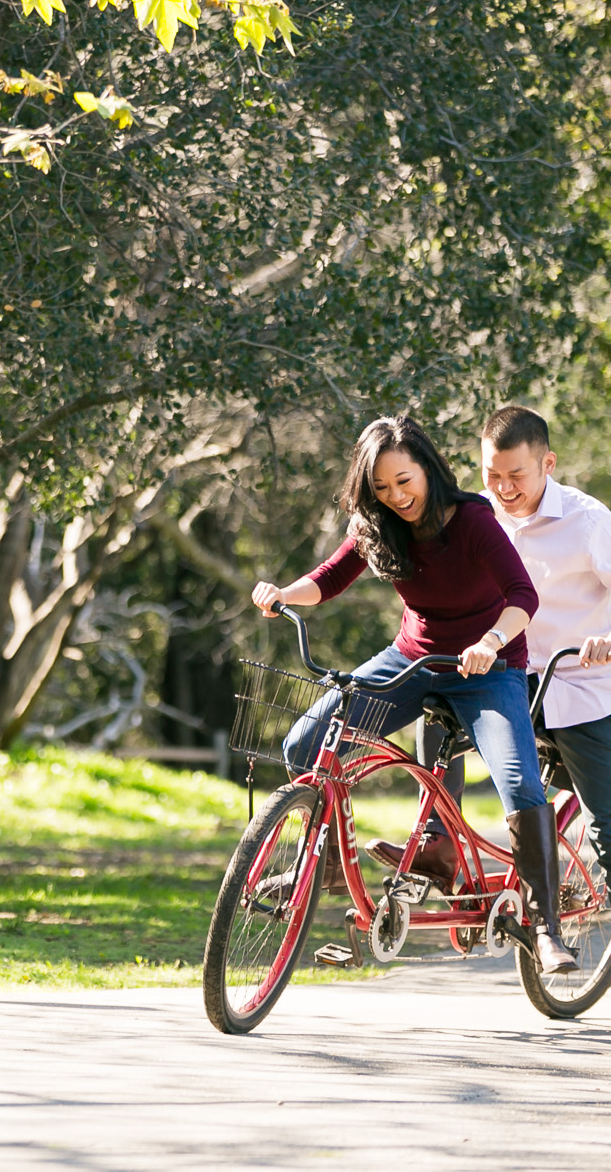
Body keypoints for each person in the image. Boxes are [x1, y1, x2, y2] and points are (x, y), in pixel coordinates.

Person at [251, 414, 578, 974]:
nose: (396, 496)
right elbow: (329, 577)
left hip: (488, 668)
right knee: (305, 745)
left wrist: (491, 641)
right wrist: (284, 593)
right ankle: (328, 864)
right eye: (381, 487)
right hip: (413, 660)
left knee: (519, 781)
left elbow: (522, 594)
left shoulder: (472, 519)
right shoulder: (377, 523)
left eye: (404, 481)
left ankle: (545, 928)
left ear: (427, 469)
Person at [479, 403, 611, 1031]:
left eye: (518, 476)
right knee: (434, 721)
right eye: (492, 476)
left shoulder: (587, 521)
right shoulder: (484, 520)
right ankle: (438, 852)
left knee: (609, 831)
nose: (506, 490)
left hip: (587, 688)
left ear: (548, 465)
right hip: (514, 684)